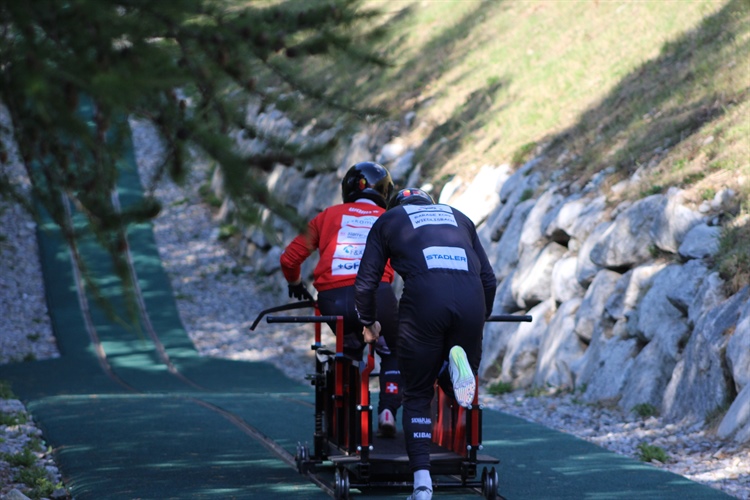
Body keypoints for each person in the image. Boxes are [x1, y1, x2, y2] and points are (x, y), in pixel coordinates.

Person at [354, 187, 497, 500]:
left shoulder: (389, 219)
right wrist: (480, 318)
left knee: (417, 392)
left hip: (424, 302)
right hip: (471, 300)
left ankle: (422, 485)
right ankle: (450, 364)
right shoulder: (458, 217)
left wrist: (368, 322)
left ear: (398, 205)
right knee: (458, 389)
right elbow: (488, 279)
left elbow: (366, 282)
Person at [279, 161, 402, 437]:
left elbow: (289, 259)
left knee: (348, 350)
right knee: (393, 350)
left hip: (333, 298)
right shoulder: (390, 218)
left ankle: (346, 420)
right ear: (386, 192)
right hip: (376, 295)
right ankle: (387, 411)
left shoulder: (327, 216)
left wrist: (296, 283)